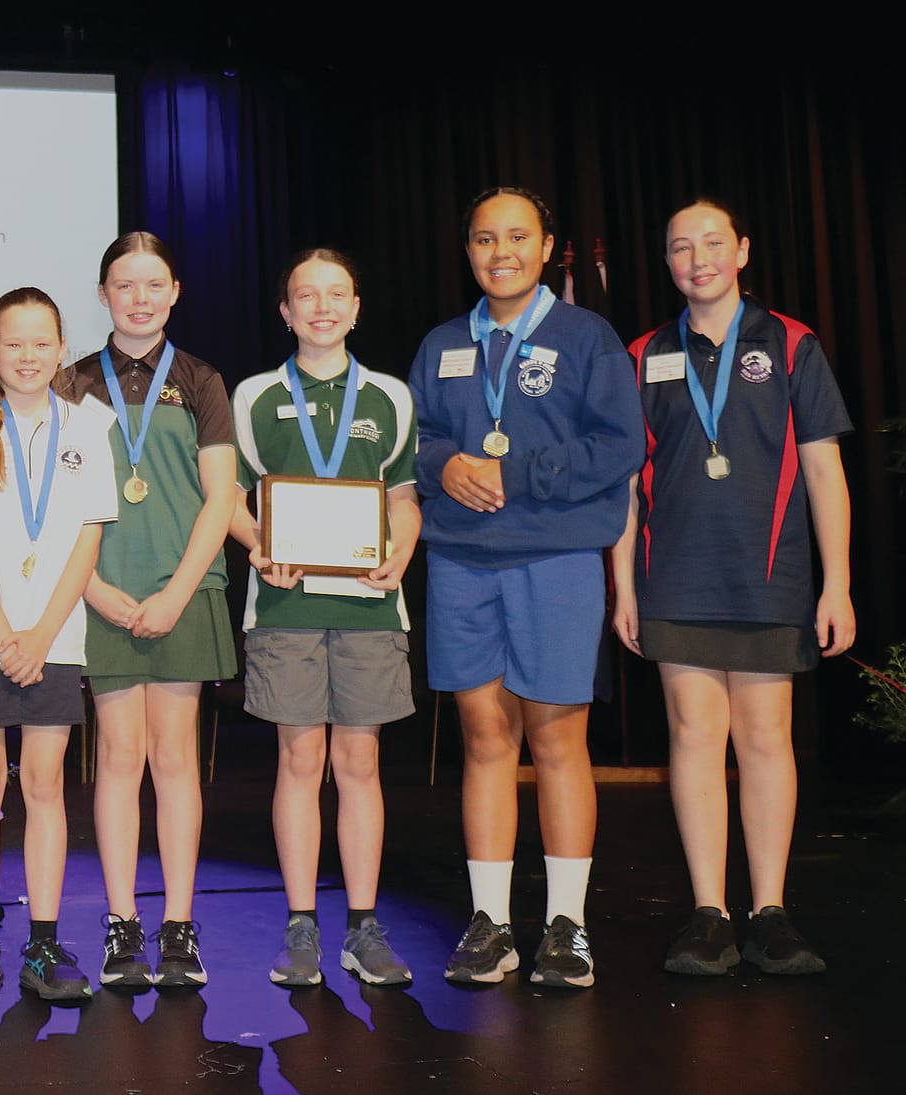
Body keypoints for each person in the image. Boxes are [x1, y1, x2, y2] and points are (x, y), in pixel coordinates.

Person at [408, 187, 643, 989]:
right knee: (483, 736)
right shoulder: (443, 341)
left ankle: (568, 925)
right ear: (468, 251)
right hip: (462, 558)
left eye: (516, 236)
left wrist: (515, 472)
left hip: (557, 557)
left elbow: (619, 446)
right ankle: (492, 923)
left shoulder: (588, 336)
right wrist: (447, 466)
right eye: (483, 238)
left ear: (547, 247)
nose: (499, 251)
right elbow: (419, 439)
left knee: (555, 737)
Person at [613, 199, 854, 976]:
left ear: (743, 250)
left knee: (763, 739)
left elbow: (823, 468)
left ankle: (771, 911)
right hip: (674, 575)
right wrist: (623, 587)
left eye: (713, 242)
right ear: (668, 262)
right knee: (692, 736)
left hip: (768, 574)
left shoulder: (790, 343)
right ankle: (709, 912)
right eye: (681, 247)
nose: (698, 257)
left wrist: (838, 583)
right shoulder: (643, 352)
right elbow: (624, 486)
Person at [229, 249, 420, 988]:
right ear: (285, 310)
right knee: (299, 761)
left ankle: (364, 926)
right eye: (305, 295)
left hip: (371, 603)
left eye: (335, 293)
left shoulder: (390, 397)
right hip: (283, 603)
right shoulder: (253, 397)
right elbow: (235, 501)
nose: (321, 307)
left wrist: (401, 551)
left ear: (356, 306)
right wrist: (258, 548)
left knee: (360, 763)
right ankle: (301, 924)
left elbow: (403, 498)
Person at [59, 231, 239, 991]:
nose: (139, 297)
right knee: (118, 761)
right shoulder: (70, 383)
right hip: (97, 591)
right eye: (124, 284)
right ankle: (121, 924)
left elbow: (221, 496)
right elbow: (52, 500)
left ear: (174, 293)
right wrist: (92, 588)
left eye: (153, 284)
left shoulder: (199, 379)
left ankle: (179, 924)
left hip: (183, 591)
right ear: (102, 294)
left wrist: (175, 592)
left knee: (175, 760)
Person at [0, 287, 116, 1003]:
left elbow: (88, 536)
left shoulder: (88, 424)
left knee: (44, 784)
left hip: (56, 635)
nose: (28, 355)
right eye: (14, 342)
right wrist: (6, 631)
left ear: (62, 347)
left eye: (42, 342)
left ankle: (42, 943)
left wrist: (41, 633)